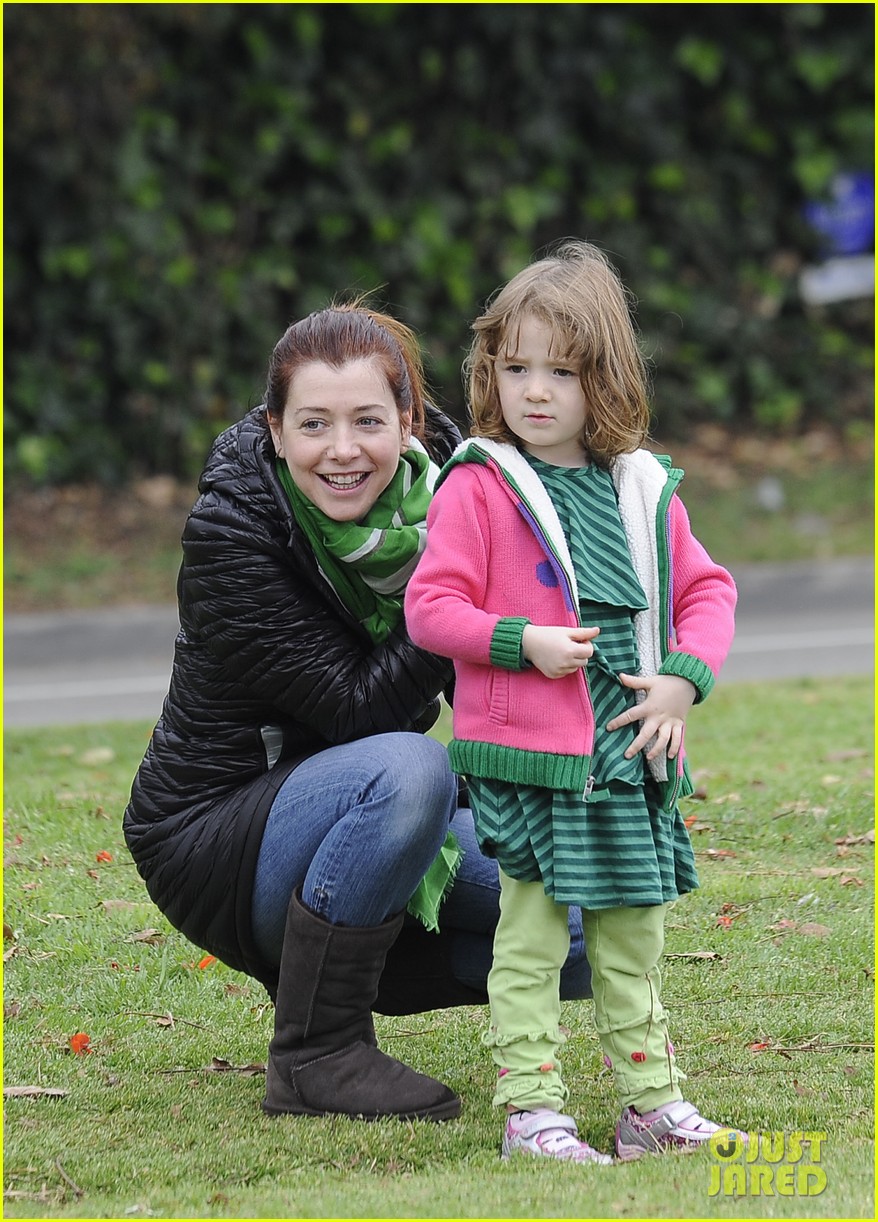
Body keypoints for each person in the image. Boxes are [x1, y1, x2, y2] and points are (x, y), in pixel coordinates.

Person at [123, 301, 593, 1126]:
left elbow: (491, 687)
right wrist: (452, 599)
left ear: (409, 421)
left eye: (368, 421)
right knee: (410, 764)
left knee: (582, 915)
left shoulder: (457, 490)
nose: (343, 451)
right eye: (313, 424)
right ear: (275, 431)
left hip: (378, 811)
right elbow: (356, 711)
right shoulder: (233, 531)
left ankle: (362, 963)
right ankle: (317, 1052)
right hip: (220, 831)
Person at [405, 240, 741, 1162]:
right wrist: (523, 643)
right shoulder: (478, 485)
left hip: (631, 760)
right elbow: (431, 608)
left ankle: (650, 1108)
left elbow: (708, 594)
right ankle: (532, 1113)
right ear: (490, 372)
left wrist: (683, 678)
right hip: (537, 759)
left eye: (562, 369)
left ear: (609, 378)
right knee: (534, 938)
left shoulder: (642, 487)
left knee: (633, 939)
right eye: (516, 367)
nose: (536, 390)